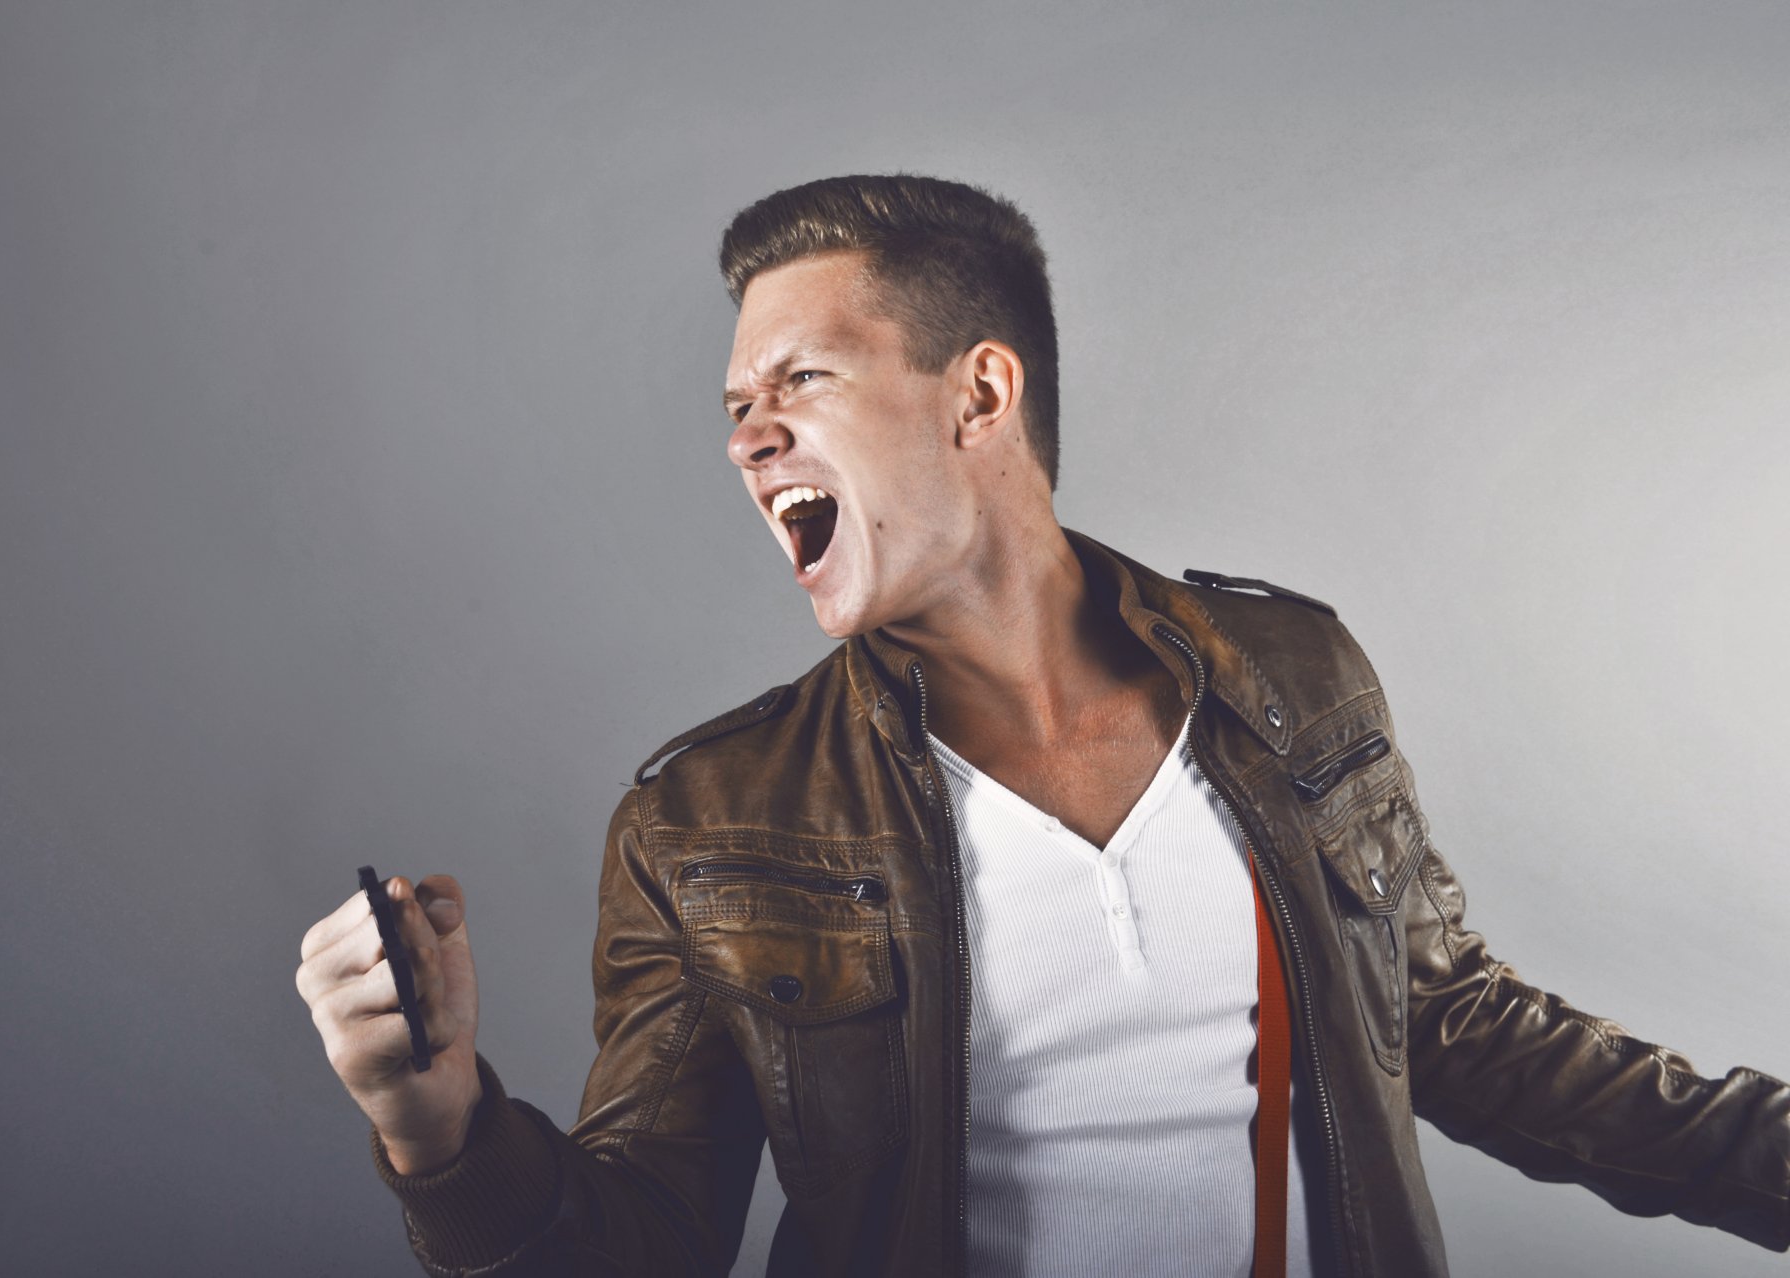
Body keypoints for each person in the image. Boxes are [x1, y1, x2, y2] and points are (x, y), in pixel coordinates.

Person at [294, 174, 1790, 1277]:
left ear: (980, 395)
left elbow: (1457, 1027)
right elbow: (641, 1245)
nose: (747, 435)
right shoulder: (708, 824)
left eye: (801, 379)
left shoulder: (1290, 676)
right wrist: (440, 1128)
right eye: (736, 402)